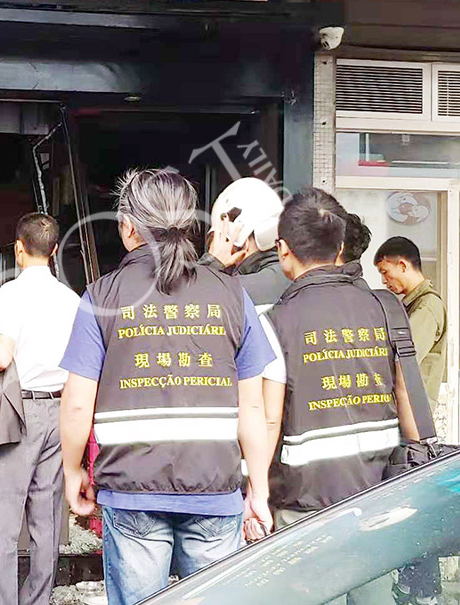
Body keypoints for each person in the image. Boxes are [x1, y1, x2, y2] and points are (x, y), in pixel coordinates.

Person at [59, 168, 274, 605]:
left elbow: (78, 404)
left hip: (132, 490)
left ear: (127, 227)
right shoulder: (233, 295)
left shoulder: (102, 296)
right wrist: (259, 487)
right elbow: (253, 408)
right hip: (215, 489)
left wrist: (72, 471)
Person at [258, 189, 420, 605]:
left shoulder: (276, 320)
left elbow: (269, 420)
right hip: (377, 498)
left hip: (304, 508)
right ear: (341, 246)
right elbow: (408, 394)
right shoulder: (386, 308)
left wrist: (255, 493)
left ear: (283, 250)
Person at [0, 213, 81, 605]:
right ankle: (38, 599)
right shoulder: (71, 300)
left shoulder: (12, 293)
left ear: (19, 249)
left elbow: (1, 357)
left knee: (0, 517)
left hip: (19, 411)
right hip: (59, 411)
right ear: (53, 251)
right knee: (46, 517)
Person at [374, 236, 447, 412]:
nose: (384, 280)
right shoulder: (411, 305)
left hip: (414, 413)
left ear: (403, 265)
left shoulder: (427, 306)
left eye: (385, 272)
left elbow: (404, 361)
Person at [202, 177, 290, 313]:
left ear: (243, 243)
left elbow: (186, 302)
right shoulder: (297, 277)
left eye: (223, 239)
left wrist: (211, 264)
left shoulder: (233, 290)